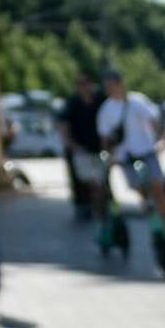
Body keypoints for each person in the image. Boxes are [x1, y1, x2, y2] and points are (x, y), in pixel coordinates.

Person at [98, 67, 165, 245]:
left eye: (112, 85)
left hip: (146, 153)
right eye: (107, 86)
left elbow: (153, 121)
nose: (110, 89)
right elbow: (105, 138)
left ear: (120, 84)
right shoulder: (106, 110)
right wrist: (108, 156)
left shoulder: (137, 101)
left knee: (160, 193)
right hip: (125, 158)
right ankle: (152, 214)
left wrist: (161, 141)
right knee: (141, 190)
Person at [59, 69, 106, 222]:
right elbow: (64, 125)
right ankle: (83, 207)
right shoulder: (72, 103)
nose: (83, 87)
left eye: (86, 83)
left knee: (101, 180)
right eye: (80, 84)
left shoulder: (100, 100)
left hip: (99, 148)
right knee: (82, 181)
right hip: (79, 148)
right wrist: (71, 145)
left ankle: (103, 206)